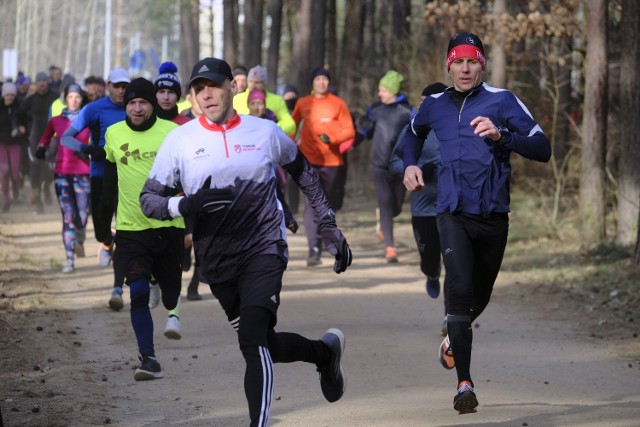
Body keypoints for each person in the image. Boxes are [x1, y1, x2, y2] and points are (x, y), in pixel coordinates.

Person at [140, 57, 352, 426]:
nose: (207, 95)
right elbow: (150, 200)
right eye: (199, 89)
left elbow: (304, 172)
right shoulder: (180, 141)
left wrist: (328, 223)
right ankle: (324, 354)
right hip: (217, 259)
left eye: (215, 86)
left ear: (232, 89)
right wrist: (186, 204)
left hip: (264, 247)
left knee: (252, 341)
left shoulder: (263, 132)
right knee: (263, 343)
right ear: (191, 97)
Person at [402, 32, 551, 414]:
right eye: (458, 61)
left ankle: (454, 336)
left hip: (493, 216)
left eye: (472, 61)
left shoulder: (502, 100)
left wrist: (504, 136)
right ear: (447, 65)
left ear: (481, 64)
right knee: (460, 287)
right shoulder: (433, 105)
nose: (465, 68)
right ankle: (464, 384)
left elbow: (543, 148)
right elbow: (412, 135)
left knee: (478, 296)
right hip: (451, 213)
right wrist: (410, 164)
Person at [102, 77, 183, 380]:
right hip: (130, 228)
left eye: (143, 102)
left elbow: (188, 178)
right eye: (132, 103)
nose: (137, 108)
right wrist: (102, 222)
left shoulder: (172, 133)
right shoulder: (113, 133)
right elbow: (109, 183)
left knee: (172, 294)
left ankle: (161, 285)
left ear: (153, 105)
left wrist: (191, 223)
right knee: (136, 292)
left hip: (168, 225)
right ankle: (148, 358)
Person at [61, 67, 130, 310]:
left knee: (125, 232)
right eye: (117, 86)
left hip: (128, 178)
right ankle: (106, 242)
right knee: (102, 229)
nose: (121, 91)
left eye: (125, 86)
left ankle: (117, 289)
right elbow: (66, 138)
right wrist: (90, 150)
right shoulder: (93, 109)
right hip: (100, 176)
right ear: (108, 85)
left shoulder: (135, 107)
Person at [389, 82, 449, 335]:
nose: (428, 107)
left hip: (452, 208)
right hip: (422, 207)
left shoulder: (456, 128)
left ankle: (451, 318)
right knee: (429, 260)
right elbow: (393, 160)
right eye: (423, 102)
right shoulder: (412, 130)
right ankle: (431, 273)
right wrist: (411, 171)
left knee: (455, 266)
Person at [291, 67, 355, 266]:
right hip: (308, 160)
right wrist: (289, 148)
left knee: (325, 204)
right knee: (312, 203)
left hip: (332, 161)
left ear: (328, 82)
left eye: (324, 79)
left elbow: (349, 131)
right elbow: (291, 127)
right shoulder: (303, 103)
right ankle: (314, 247)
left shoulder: (338, 104)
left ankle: (323, 239)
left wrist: (334, 139)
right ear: (312, 82)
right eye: (317, 79)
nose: (321, 82)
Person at [357, 69, 415, 263]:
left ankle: (382, 222)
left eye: (382, 90)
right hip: (379, 166)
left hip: (400, 166)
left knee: (396, 206)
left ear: (392, 91)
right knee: (385, 204)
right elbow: (367, 133)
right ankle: (390, 247)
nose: (379, 93)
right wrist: (362, 124)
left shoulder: (407, 111)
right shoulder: (375, 109)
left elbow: (417, 134)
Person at [34, 84, 90, 273]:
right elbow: (45, 137)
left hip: (83, 173)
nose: (74, 100)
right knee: (68, 216)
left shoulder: (88, 120)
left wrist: (89, 153)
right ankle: (69, 259)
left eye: (77, 97)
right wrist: (41, 147)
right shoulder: (56, 121)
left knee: (81, 216)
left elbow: (99, 141)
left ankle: (80, 235)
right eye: (71, 96)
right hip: (62, 173)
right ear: (65, 98)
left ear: (82, 99)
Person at [19, 71, 58, 214]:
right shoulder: (30, 100)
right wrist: (23, 128)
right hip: (35, 137)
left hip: (51, 137)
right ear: (36, 83)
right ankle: (38, 201)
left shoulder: (54, 97)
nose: (42, 83)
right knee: (35, 169)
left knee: (50, 168)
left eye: (44, 81)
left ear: (47, 82)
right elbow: (19, 114)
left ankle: (47, 187)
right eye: (39, 81)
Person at [233, 65, 296, 137]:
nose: (253, 86)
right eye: (250, 82)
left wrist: (269, 126)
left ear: (264, 84)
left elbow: (291, 126)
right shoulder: (237, 99)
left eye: (257, 82)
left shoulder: (276, 100)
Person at [0, 82, 28, 212]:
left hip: (16, 143)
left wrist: (22, 128)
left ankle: (16, 185)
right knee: (4, 172)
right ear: (3, 95)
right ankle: (6, 200)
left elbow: (26, 123)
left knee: (15, 173)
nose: (9, 97)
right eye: (7, 95)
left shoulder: (20, 108)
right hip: (2, 144)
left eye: (12, 95)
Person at [154, 61, 191, 125]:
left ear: (178, 96)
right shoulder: (146, 122)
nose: (166, 97)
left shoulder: (187, 124)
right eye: (162, 92)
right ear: (155, 95)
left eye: (171, 92)